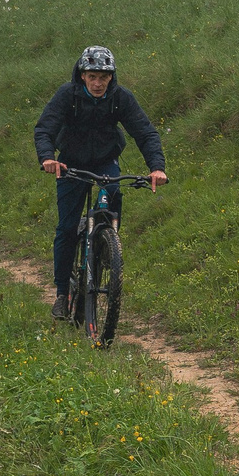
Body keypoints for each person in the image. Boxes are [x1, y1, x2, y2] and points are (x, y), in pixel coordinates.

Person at [34, 46, 167, 318]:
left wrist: (157, 168)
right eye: (92, 76)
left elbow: (145, 133)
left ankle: (107, 244)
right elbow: (44, 129)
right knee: (67, 227)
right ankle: (62, 293)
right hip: (70, 164)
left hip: (106, 161)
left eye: (103, 77)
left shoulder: (120, 98)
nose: (97, 83)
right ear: (82, 75)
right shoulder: (67, 96)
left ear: (111, 77)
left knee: (113, 193)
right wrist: (48, 158)